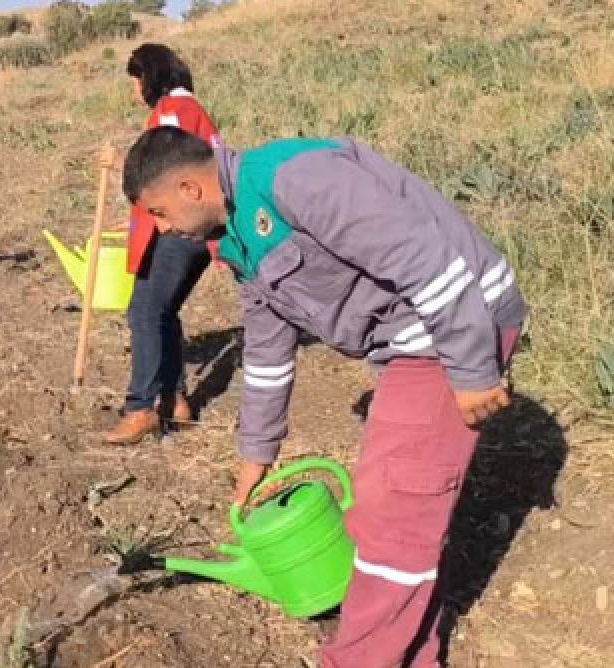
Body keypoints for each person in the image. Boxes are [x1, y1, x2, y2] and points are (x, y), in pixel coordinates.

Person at [121, 126, 527, 667]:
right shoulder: (239, 235)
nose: (163, 230)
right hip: (411, 343)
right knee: (395, 513)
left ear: (190, 188)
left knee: (390, 516)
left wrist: (471, 367)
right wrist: (255, 452)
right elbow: (266, 350)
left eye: (160, 213)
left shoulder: (298, 180)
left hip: (450, 329)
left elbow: (423, 257)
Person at [103, 44, 219, 445]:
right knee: (163, 311)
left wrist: (119, 163)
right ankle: (174, 400)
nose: (134, 91)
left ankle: (141, 407)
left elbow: (169, 170)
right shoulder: (190, 109)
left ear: (150, 76)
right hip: (188, 230)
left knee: (145, 310)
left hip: (180, 231)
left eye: (135, 80)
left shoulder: (172, 110)